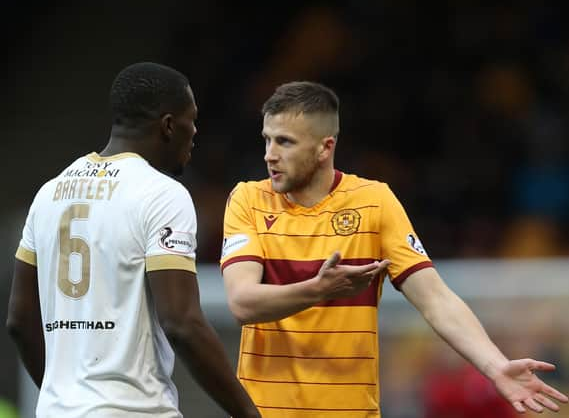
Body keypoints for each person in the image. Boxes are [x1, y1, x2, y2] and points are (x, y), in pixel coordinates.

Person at [220, 81, 568, 417]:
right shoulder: (248, 199)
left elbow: (435, 298)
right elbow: (242, 302)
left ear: (325, 147)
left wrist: (496, 367)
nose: (270, 155)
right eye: (267, 140)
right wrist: (319, 289)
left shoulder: (375, 202)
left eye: (285, 142)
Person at [6, 62, 260, 418]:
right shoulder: (161, 195)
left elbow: (19, 320)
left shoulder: (49, 194)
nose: (196, 132)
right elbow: (181, 322)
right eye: (192, 120)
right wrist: (249, 412)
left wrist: (64, 397)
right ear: (169, 126)